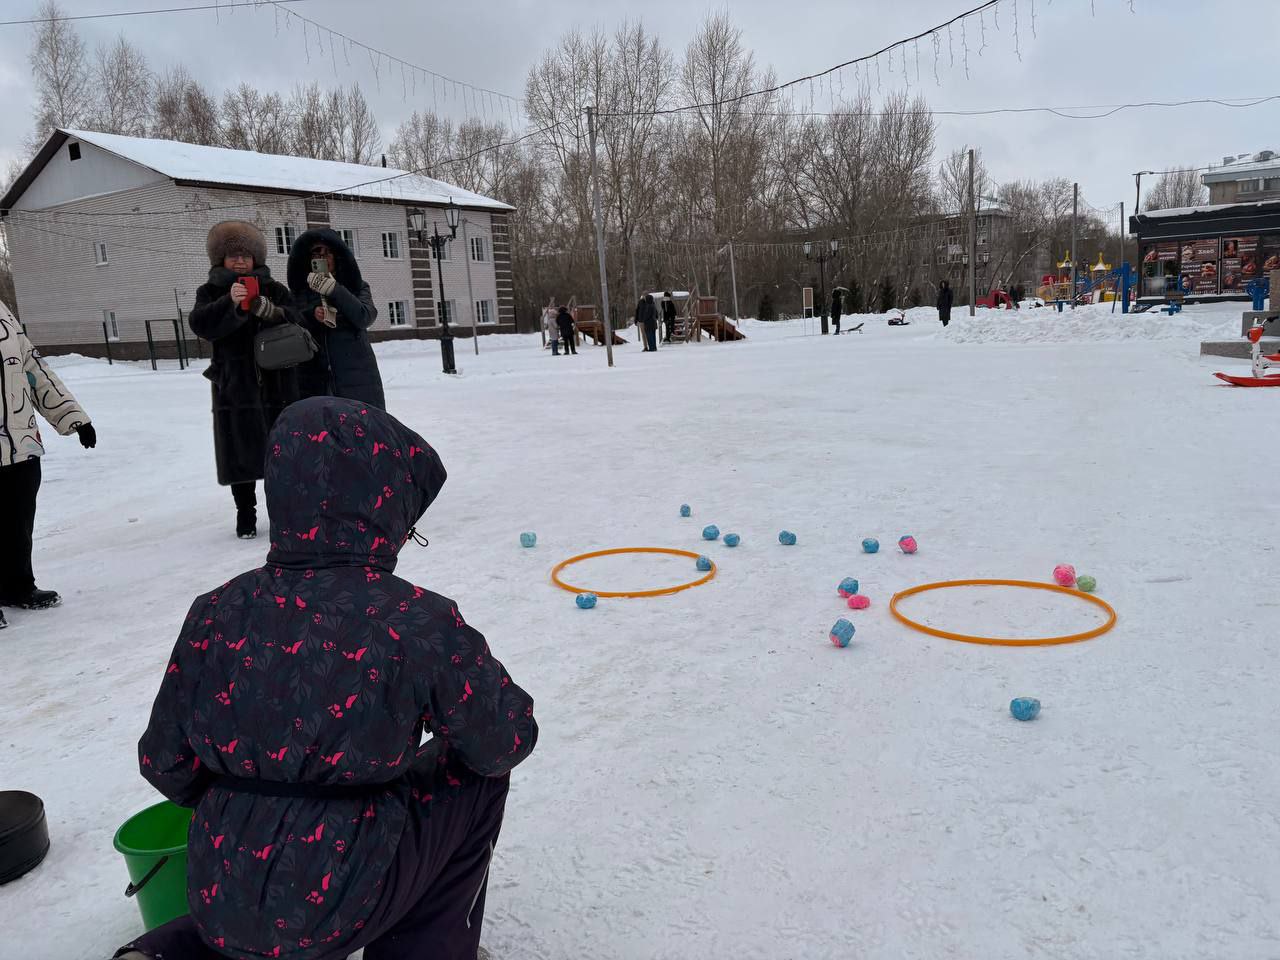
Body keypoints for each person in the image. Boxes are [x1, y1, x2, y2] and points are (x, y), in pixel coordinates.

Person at [113, 397, 538, 960]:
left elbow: (163, 760)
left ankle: (165, 951)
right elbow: (502, 739)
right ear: (383, 509)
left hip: (221, 892)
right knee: (476, 775)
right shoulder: (412, 619)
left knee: (265, 877)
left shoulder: (216, 609)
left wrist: (252, 805)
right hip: (343, 895)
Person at [190, 221, 301, 540]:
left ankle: (283, 513)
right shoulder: (209, 291)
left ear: (256, 258)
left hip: (277, 383)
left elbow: (297, 319)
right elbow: (200, 325)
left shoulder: (275, 289)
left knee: (281, 451)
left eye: (245, 255)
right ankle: (246, 514)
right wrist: (230, 304)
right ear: (221, 259)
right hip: (234, 385)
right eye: (232, 255)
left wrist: (272, 312)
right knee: (240, 453)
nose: (239, 261)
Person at [0, 316, 96, 628]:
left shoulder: (3, 315)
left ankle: (16, 585)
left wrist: (72, 416)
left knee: (18, 517)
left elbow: (34, 370)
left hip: (19, 440)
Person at [287, 229, 385, 409]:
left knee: (358, 425)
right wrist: (312, 314)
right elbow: (292, 322)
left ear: (338, 256)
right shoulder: (300, 292)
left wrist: (334, 289)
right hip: (314, 380)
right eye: (316, 253)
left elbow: (365, 316)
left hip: (356, 378)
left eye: (328, 253)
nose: (322, 258)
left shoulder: (356, 286)